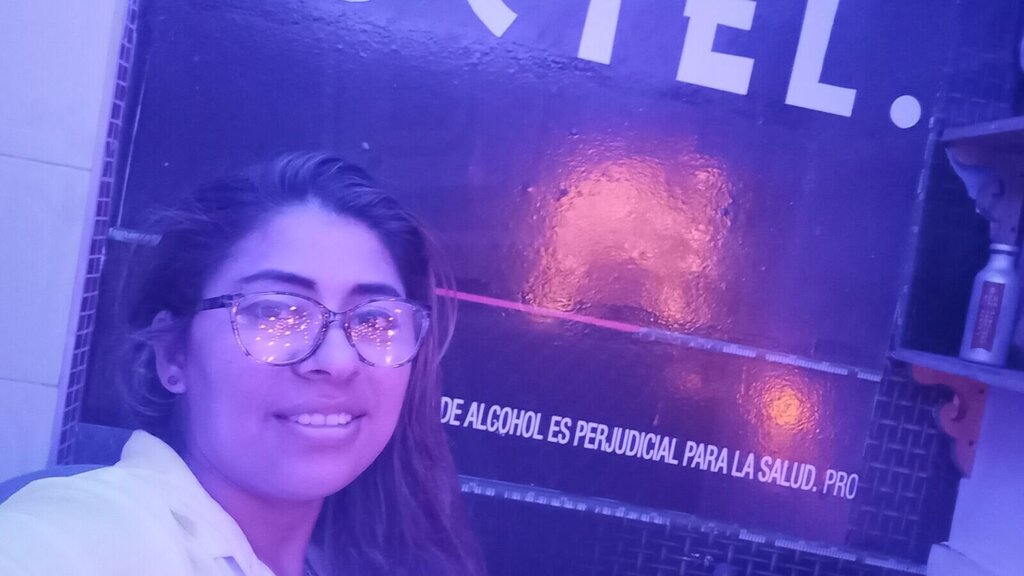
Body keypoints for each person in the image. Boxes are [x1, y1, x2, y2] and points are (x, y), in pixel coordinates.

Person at [0, 153, 485, 576]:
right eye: (276, 313)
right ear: (173, 353)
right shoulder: (87, 534)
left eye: (376, 320)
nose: (338, 361)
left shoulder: (367, 556)